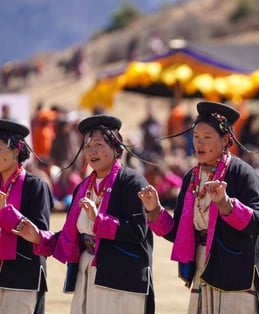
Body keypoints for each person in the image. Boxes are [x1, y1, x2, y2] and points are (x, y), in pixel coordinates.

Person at [14, 115, 155, 314]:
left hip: (121, 280)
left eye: (98, 144)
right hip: (87, 273)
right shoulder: (83, 187)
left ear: (116, 147)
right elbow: (70, 238)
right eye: (87, 146)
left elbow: (138, 231)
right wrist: (38, 236)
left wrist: (100, 221)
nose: (92, 151)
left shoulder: (131, 182)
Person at [138, 101, 259, 314]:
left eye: (207, 137)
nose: (199, 143)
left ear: (226, 140)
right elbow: (180, 232)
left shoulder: (241, 173)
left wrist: (227, 205)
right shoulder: (192, 177)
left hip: (235, 273)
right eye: (196, 137)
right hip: (202, 268)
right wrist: (155, 211)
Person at [0, 119, 53, 314]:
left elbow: (40, 236)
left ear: (15, 151)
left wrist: (5, 212)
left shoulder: (35, 186)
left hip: (22, 278)